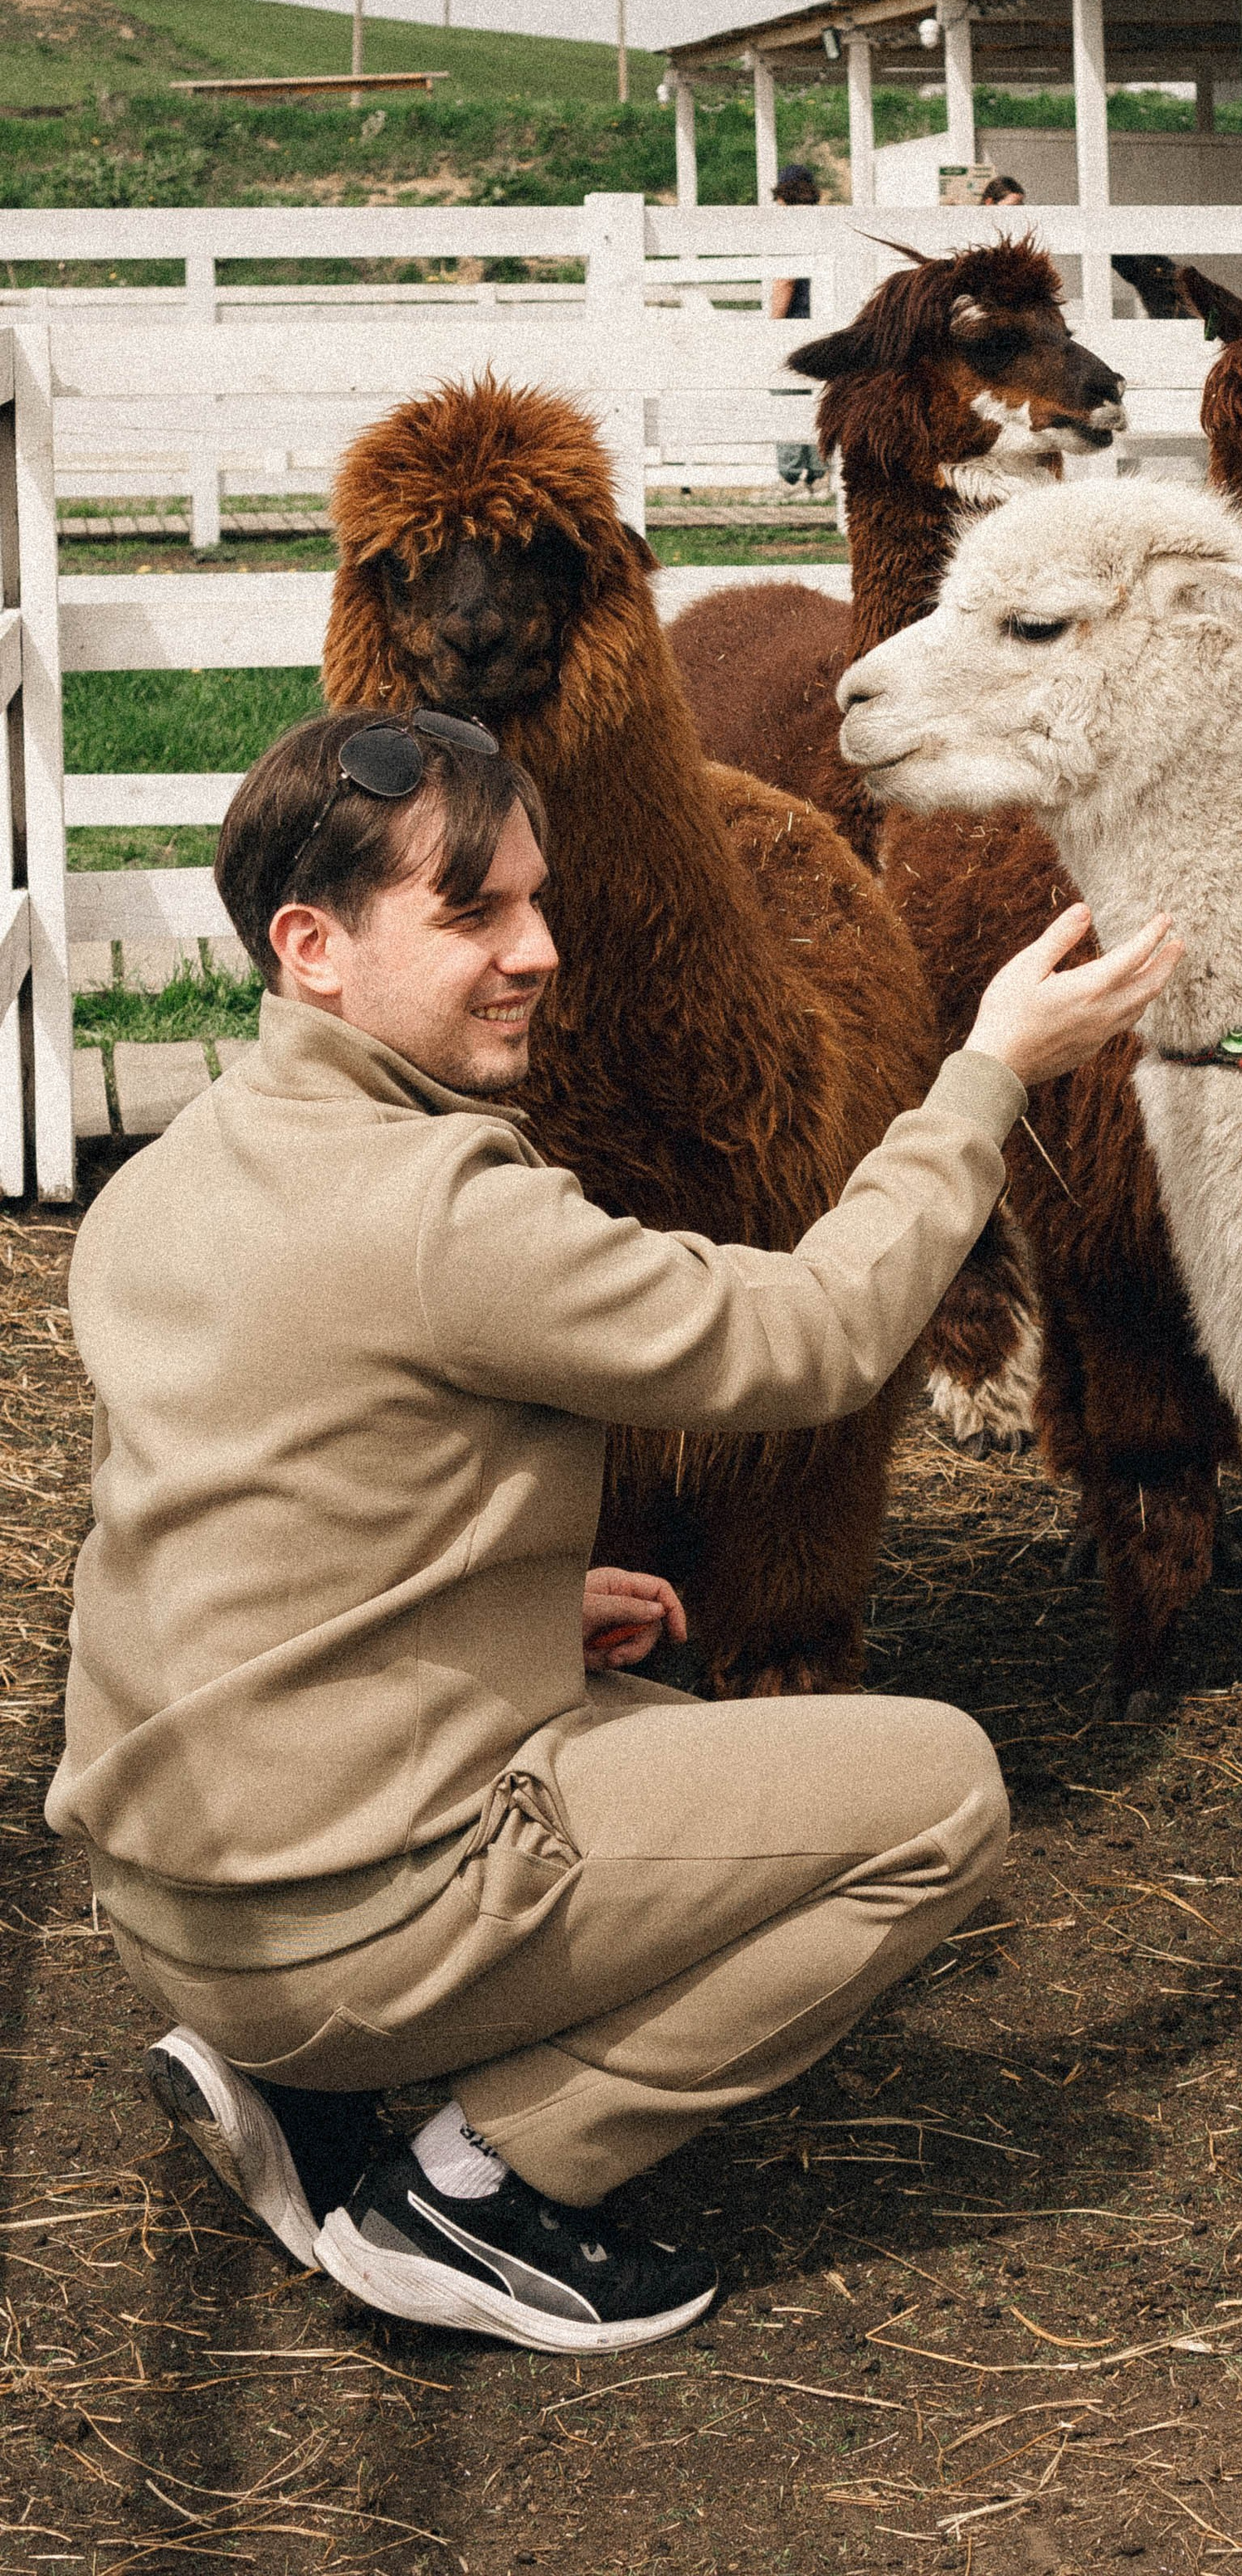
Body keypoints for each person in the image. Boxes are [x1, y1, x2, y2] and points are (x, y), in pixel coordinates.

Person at [47, 708, 1181, 2352]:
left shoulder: (168, 1178)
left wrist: (506, 1600)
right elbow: (813, 1338)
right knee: (938, 1796)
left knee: (647, 1710)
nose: (536, 954)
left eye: (535, 903)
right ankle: (479, 2186)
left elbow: (235, 1514)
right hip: (324, 1930)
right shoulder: (445, 1211)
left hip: (174, 1906)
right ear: (313, 946)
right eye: (472, 915)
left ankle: (303, 2090)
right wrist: (985, 1075)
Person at [769, 163, 828, 485]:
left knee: (787, 394)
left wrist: (773, 324)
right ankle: (818, 473)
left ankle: (789, 475)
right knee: (818, 396)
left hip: (794, 319)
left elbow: (785, 281)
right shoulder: (821, 225)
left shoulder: (788, 227)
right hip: (822, 316)